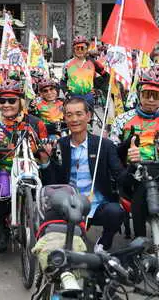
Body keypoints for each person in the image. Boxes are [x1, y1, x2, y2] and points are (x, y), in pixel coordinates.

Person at [41, 97, 125, 251]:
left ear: (88, 116)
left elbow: (120, 175)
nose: (74, 119)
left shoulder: (104, 145)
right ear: (64, 118)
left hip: (96, 205)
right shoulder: (59, 145)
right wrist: (45, 161)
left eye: (79, 114)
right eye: (69, 115)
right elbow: (52, 183)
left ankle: (105, 242)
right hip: (68, 205)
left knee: (116, 212)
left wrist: (133, 165)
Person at [110, 66, 159, 239]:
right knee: (141, 194)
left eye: (156, 95)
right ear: (139, 94)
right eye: (146, 94)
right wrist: (127, 148)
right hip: (133, 173)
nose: (150, 99)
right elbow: (112, 153)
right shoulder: (122, 120)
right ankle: (140, 242)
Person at [0, 79, 49, 253]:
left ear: (20, 102)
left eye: (11, 100)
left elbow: (44, 151)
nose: (6, 104)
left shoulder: (36, 123)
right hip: (5, 170)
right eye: (2, 100)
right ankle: (1, 228)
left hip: (30, 169)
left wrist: (44, 152)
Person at [62, 35, 106, 106]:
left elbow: (105, 76)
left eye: (82, 48)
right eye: (77, 48)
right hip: (73, 97)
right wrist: (66, 93)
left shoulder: (93, 62)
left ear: (86, 49)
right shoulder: (67, 64)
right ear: (74, 49)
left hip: (88, 97)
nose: (80, 50)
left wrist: (97, 90)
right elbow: (63, 81)